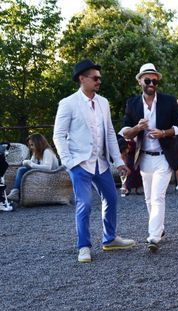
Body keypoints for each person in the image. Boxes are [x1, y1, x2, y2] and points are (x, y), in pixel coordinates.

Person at [52, 59, 135, 262]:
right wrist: (69, 162)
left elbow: (109, 135)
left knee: (112, 198)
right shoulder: (68, 103)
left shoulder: (103, 103)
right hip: (79, 164)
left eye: (100, 78)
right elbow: (58, 135)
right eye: (95, 78)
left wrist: (118, 161)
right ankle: (84, 247)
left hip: (101, 162)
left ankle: (110, 239)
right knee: (85, 204)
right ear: (82, 79)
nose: (99, 81)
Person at [121, 63, 178, 253]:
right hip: (144, 158)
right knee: (148, 198)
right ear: (140, 81)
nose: (151, 84)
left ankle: (153, 237)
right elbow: (125, 132)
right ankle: (160, 230)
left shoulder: (168, 101)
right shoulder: (132, 104)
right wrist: (138, 128)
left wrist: (164, 133)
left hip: (164, 156)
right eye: (147, 80)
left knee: (157, 196)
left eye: (155, 81)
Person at [6, 133, 59, 202]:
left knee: (21, 170)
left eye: (32, 145)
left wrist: (31, 164)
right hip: (40, 174)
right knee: (22, 169)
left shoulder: (47, 151)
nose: (31, 147)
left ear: (38, 143)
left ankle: (15, 192)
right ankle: (16, 192)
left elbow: (47, 168)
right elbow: (31, 162)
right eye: (30, 145)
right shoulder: (36, 153)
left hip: (50, 175)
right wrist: (26, 162)